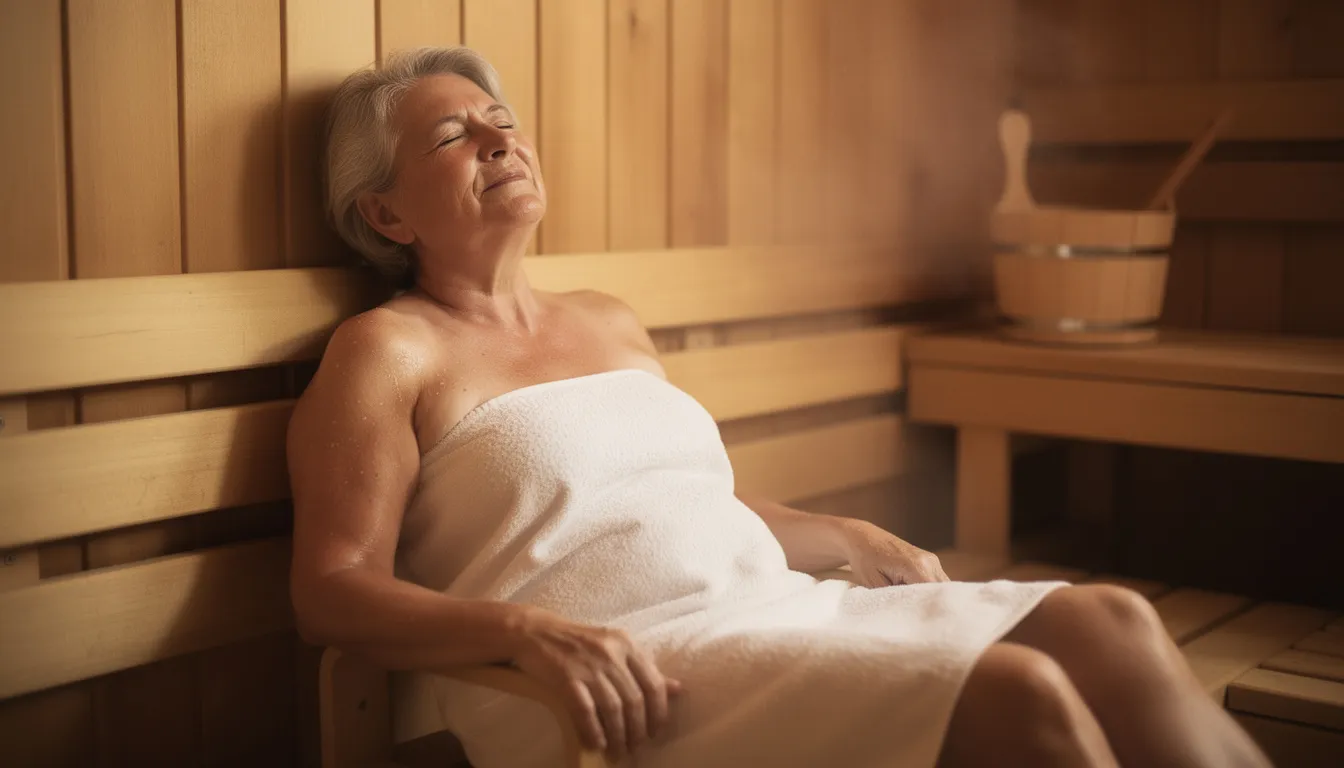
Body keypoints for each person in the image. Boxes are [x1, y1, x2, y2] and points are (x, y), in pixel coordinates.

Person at [287, 46, 1271, 768]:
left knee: (1110, 622)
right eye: (454, 134)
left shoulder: (608, 321)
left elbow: (676, 505)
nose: (496, 137)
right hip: (619, 673)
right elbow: (330, 585)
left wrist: (838, 532)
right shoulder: (388, 349)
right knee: (1018, 693)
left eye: (501, 118)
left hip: (774, 611)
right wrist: (523, 632)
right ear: (386, 214)